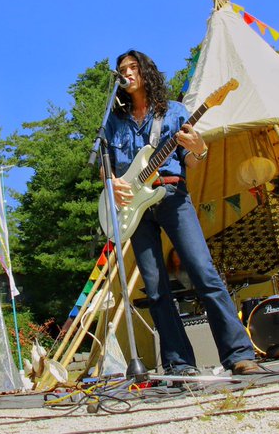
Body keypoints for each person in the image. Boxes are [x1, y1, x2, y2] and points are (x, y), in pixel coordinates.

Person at [102, 50, 263, 377]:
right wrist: (112, 184)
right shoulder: (114, 123)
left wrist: (199, 150)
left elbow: (190, 160)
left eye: (133, 67)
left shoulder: (174, 112)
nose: (127, 73)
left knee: (203, 271)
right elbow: (108, 165)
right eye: (122, 69)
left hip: (172, 194)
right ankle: (179, 363)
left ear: (146, 71)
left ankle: (239, 354)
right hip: (134, 209)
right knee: (156, 287)